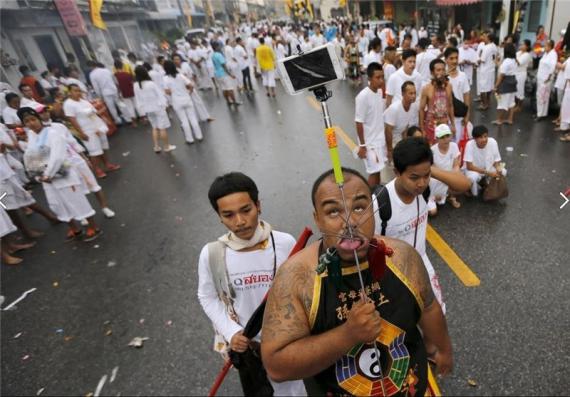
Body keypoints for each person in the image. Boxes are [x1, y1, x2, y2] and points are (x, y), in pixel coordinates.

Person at [261, 167, 453, 395]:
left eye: (360, 207)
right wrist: (347, 335)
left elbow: (429, 307)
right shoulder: (296, 277)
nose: (349, 222)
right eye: (333, 212)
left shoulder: (402, 257)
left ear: (373, 210)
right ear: (317, 220)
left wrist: (442, 348)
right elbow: (276, 365)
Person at [197, 172, 306, 396]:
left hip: (291, 344)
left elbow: (303, 287)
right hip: (249, 351)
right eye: (228, 215)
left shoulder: (285, 243)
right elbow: (206, 296)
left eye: (246, 210)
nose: (240, 221)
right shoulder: (212, 254)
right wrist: (232, 332)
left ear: (258, 205)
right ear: (219, 216)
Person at [18, 107, 102, 241]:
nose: (31, 123)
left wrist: (48, 174)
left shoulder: (52, 132)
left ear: (39, 119)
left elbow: (58, 156)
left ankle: (93, 226)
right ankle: (74, 228)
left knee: (76, 201)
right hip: (46, 178)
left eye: (33, 119)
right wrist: (39, 176)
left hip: (62, 174)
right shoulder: (32, 136)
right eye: (26, 121)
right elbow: (30, 157)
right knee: (58, 204)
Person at [36, 105, 116, 220]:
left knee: (93, 184)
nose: (45, 114)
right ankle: (83, 216)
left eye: (46, 111)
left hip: (74, 159)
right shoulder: (37, 134)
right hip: (62, 165)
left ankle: (104, 207)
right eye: (41, 113)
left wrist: (84, 158)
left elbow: (72, 142)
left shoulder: (59, 126)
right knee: (73, 191)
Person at [63, 84, 121, 178]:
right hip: (86, 130)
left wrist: (102, 112)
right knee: (94, 151)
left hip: (97, 126)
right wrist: (81, 133)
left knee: (103, 147)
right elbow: (72, 120)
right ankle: (97, 170)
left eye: (79, 90)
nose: (78, 92)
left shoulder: (84, 101)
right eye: (75, 91)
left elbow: (94, 113)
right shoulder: (68, 104)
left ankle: (107, 164)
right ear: (69, 92)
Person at [354, 62, 386, 187]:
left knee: (378, 171)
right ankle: (369, 200)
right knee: (373, 173)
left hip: (379, 140)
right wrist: (362, 146)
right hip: (369, 143)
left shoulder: (378, 92)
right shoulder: (362, 97)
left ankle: (375, 197)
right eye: (378, 78)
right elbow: (358, 122)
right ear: (369, 78)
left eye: (382, 77)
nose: (381, 80)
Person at [134, 66, 176, 153]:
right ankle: (167, 146)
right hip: (158, 107)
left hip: (147, 109)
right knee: (162, 128)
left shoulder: (136, 85)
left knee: (154, 127)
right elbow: (160, 95)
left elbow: (138, 99)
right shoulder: (151, 84)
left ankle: (156, 146)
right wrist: (165, 104)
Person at [162, 60, 203, 144]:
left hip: (177, 101)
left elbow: (167, 92)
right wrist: (189, 92)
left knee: (184, 121)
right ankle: (199, 136)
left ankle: (190, 139)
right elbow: (191, 85)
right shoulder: (180, 75)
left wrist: (172, 93)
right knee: (192, 118)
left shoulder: (165, 79)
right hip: (187, 99)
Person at [463, 125, 507, 197]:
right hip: (475, 170)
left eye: (485, 136)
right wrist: (488, 173)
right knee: (473, 178)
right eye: (480, 137)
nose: (484, 139)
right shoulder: (469, 145)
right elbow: (469, 166)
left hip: (488, 168)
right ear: (475, 139)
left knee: (503, 171)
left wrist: (498, 169)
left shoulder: (492, 142)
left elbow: (496, 160)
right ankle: (472, 189)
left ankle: (487, 183)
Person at [419, 59, 456, 144]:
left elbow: (450, 106)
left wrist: (453, 125)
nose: (441, 72)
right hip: (431, 127)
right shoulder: (427, 88)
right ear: (432, 72)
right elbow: (421, 109)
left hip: (445, 126)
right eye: (438, 70)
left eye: (443, 70)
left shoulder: (449, 86)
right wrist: (422, 129)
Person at [429, 124, 461, 215]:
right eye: (442, 137)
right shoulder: (432, 150)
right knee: (432, 212)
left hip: (450, 174)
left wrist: (455, 174)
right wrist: (447, 177)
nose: (446, 139)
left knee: (460, 180)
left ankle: (451, 197)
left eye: (447, 136)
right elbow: (433, 170)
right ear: (437, 138)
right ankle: (434, 197)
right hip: (436, 178)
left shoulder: (454, 146)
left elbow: (456, 164)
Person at [444, 46, 471, 140]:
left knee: (457, 144)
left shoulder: (463, 76)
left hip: (459, 117)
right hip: (444, 118)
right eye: (451, 58)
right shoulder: (442, 77)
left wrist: (467, 115)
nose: (454, 61)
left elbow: (466, 96)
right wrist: (444, 75)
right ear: (446, 60)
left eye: (456, 58)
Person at [384, 81, 419, 150]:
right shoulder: (394, 108)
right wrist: (390, 150)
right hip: (386, 141)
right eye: (411, 93)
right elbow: (388, 131)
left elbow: (405, 129)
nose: (413, 96)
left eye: (415, 93)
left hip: (398, 138)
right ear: (403, 94)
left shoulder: (413, 107)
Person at [88, 61, 122, 125]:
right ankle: (128, 117)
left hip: (105, 92)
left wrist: (100, 97)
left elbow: (96, 88)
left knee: (111, 107)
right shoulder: (106, 70)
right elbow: (114, 80)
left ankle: (118, 120)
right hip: (113, 89)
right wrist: (117, 88)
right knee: (120, 104)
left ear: (90, 67)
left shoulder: (92, 75)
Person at [493, 43, 518, 125]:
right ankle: (510, 119)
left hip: (506, 83)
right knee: (511, 102)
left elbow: (501, 75)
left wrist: (496, 86)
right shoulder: (514, 60)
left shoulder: (506, 61)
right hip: (513, 82)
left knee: (502, 102)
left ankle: (499, 119)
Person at [211, 42, 240, 106]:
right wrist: (230, 74)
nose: (220, 48)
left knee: (224, 88)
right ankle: (234, 102)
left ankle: (228, 101)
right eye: (219, 46)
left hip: (218, 74)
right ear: (216, 47)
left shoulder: (213, 55)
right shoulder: (219, 55)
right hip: (223, 74)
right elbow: (224, 66)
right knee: (230, 88)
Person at [535, 40, 558, 120]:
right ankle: (541, 113)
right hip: (541, 77)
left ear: (550, 46)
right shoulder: (546, 53)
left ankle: (540, 114)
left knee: (542, 96)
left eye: (546, 45)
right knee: (541, 96)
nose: (544, 47)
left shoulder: (553, 54)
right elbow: (537, 51)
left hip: (546, 79)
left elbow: (552, 66)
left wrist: (548, 78)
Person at [477, 32, 498, 111]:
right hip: (491, 69)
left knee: (482, 88)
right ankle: (488, 102)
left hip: (485, 70)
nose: (484, 38)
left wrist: (476, 61)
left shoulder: (487, 47)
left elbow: (482, 60)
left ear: (488, 38)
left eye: (485, 37)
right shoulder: (494, 46)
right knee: (489, 87)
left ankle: (484, 104)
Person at [113, 60, 137, 127]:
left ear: (115, 67)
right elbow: (132, 82)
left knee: (129, 107)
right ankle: (144, 118)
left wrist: (118, 94)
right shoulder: (128, 74)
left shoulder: (115, 76)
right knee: (136, 105)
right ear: (122, 66)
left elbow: (117, 86)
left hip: (124, 93)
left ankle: (134, 122)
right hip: (132, 91)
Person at [515, 39, 532, 111]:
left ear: (527, 47)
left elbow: (519, 62)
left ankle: (519, 106)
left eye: (523, 44)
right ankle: (515, 104)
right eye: (521, 44)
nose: (521, 45)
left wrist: (512, 55)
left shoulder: (527, 55)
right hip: (515, 72)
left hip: (521, 74)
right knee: (515, 89)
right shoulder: (518, 52)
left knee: (520, 89)